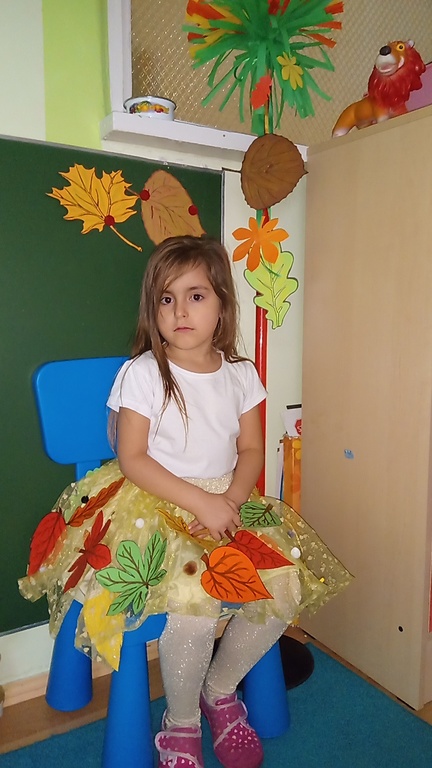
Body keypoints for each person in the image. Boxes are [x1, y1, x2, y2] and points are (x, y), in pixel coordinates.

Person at [20, 236, 352, 768]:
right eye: (166, 299)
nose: (180, 311)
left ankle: (218, 691)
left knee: (283, 588)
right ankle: (180, 722)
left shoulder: (240, 374)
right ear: (153, 311)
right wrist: (200, 502)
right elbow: (132, 457)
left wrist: (232, 500)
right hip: (154, 505)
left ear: (221, 304)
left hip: (226, 500)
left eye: (196, 296)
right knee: (193, 609)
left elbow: (250, 449)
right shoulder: (144, 372)